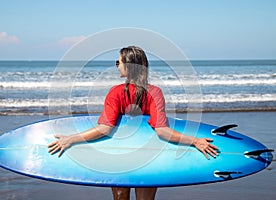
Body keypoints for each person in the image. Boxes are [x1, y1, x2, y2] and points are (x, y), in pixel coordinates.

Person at [48, 46, 219, 200]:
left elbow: (105, 129)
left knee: (121, 197)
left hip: (119, 154)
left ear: (129, 66)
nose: (117, 66)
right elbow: (162, 131)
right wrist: (195, 141)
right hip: (148, 155)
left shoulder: (116, 92)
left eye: (118, 62)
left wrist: (70, 139)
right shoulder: (154, 92)